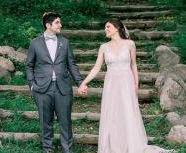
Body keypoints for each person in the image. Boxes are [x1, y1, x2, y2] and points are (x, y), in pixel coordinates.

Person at [77, 18, 158, 153]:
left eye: (108, 27)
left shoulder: (130, 44)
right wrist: (83, 82)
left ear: (117, 28)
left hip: (126, 82)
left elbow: (133, 65)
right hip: (111, 84)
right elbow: (96, 68)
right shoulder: (104, 47)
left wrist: (136, 84)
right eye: (105, 27)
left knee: (127, 111)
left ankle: (130, 145)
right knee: (113, 114)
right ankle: (114, 147)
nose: (105, 30)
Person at [26, 12, 84, 153]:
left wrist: (80, 83)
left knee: (66, 123)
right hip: (42, 89)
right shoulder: (35, 43)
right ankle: (48, 150)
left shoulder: (65, 42)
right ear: (48, 25)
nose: (60, 25)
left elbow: (72, 65)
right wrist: (32, 84)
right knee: (46, 124)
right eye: (57, 22)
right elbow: (29, 65)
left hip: (63, 89)